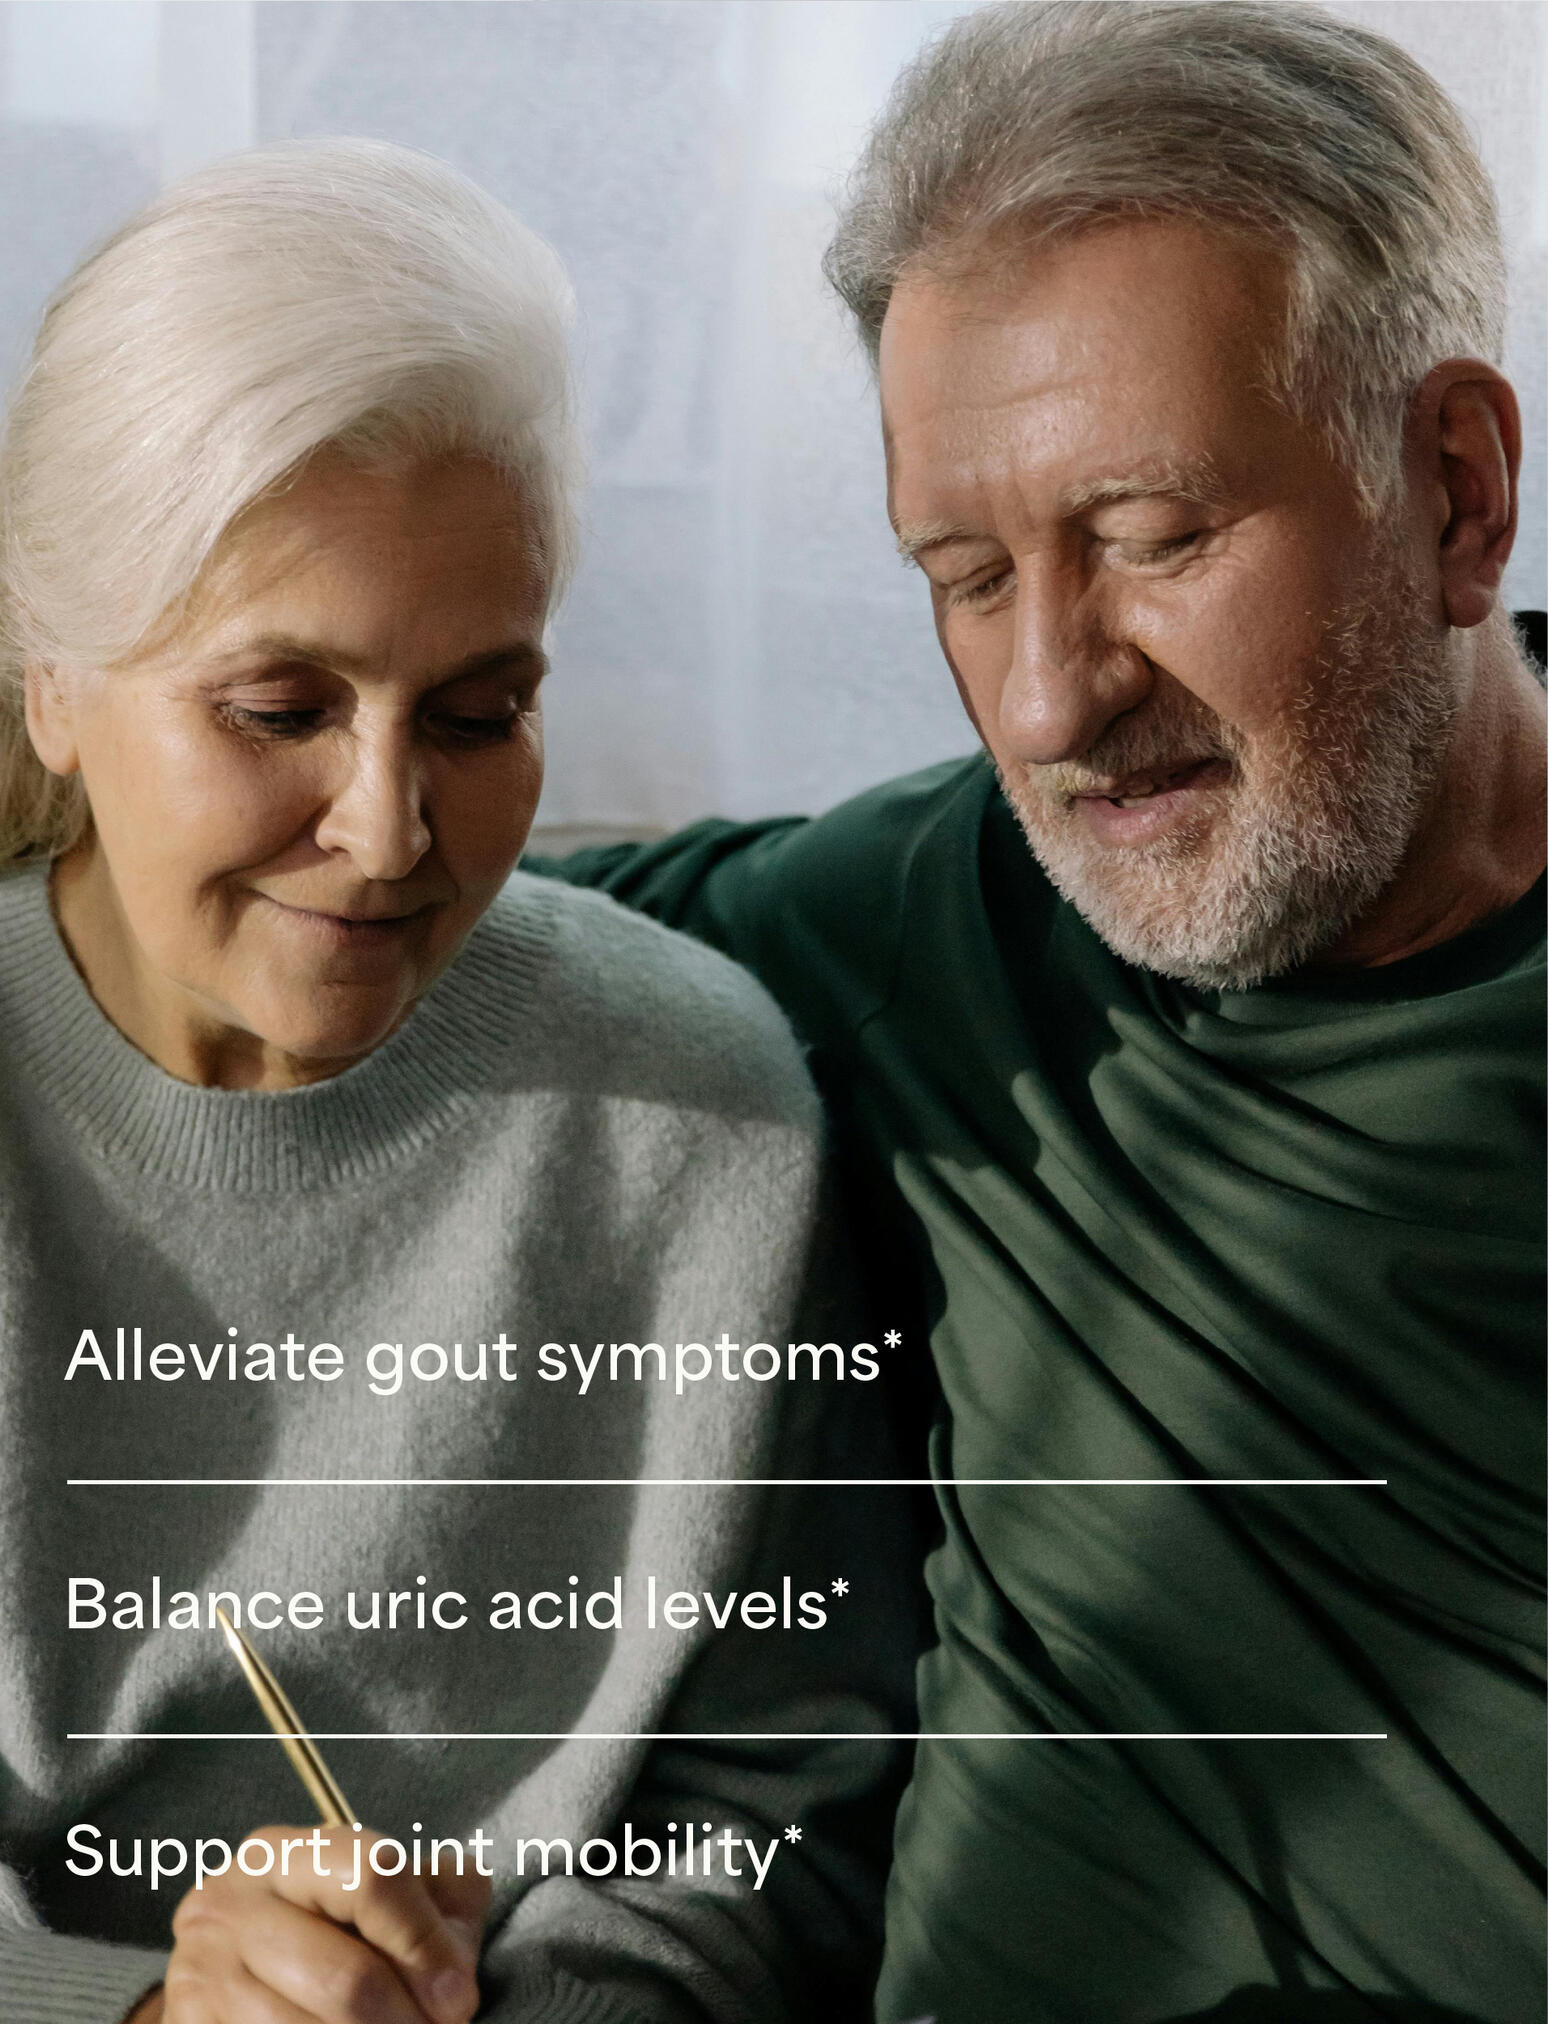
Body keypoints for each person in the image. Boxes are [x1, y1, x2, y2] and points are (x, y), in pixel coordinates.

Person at [535, 5, 1547, 2021]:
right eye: (965, 573)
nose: (1046, 701)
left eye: (1152, 538)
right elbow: (323, 890)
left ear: (1453, 488)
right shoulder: (923, 920)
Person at [0, 139, 917, 2024]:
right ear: (57, 682)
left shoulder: (701, 1105)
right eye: (279, 710)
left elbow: (784, 1781)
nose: (388, 832)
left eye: (481, 714)